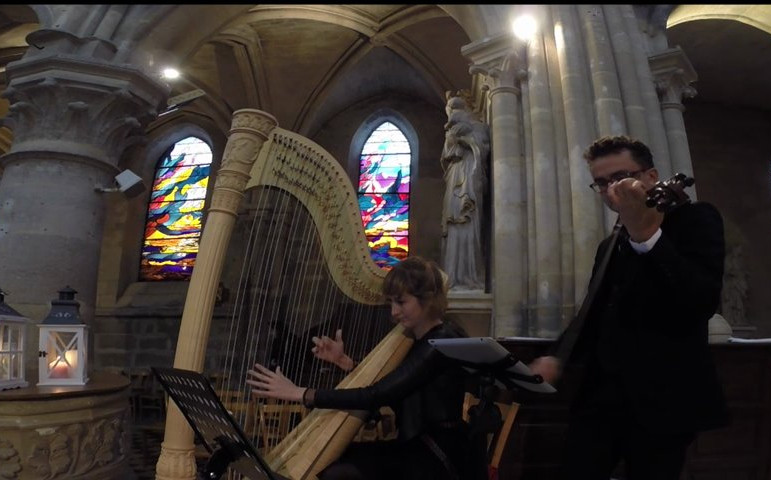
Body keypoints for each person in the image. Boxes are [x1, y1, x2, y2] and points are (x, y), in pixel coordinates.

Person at [527, 135, 729, 480]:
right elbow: (593, 313)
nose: (609, 189)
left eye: (619, 177)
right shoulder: (610, 244)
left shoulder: (696, 220)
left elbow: (701, 300)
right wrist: (557, 356)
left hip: (664, 400)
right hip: (600, 398)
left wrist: (648, 236)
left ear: (650, 177)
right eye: (601, 182)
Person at [247, 256, 486, 480]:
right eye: (391, 302)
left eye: (401, 302)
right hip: (416, 446)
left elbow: (377, 395)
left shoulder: (440, 343)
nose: (393, 312)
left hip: (436, 455)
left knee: (336, 472)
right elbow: (400, 394)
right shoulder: (420, 341)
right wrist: (346, 363)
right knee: (337, 459)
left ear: (427, 298)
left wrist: (300, 393)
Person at [440, 92, 490, 290]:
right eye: (451, 110)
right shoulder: (451, 131)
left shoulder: (478, 127)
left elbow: (482, 148)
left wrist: (466, 140)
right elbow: (446, 157)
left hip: (469, 175)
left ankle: (468, 275)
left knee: (466, 218)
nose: (453, 114)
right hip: (454, 178)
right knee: (453, 225)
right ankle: (452, 275)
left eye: (455, 109)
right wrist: (452, 141)